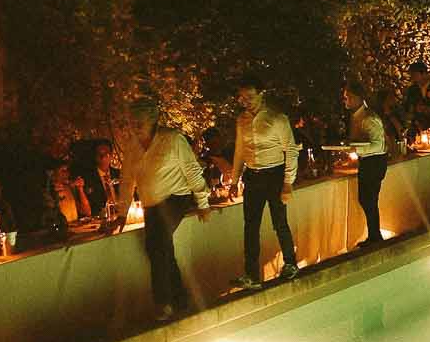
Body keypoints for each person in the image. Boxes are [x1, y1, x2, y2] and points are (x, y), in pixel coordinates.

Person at [115, 97, 212, 321]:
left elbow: (192, 170)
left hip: (175, 197)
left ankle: (163, 302)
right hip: (151, 204)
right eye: (132, 121)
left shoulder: (173, 139)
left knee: (156, 245)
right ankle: (180, 298)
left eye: (139, 121)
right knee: (162, 249)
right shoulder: (132, 146)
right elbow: (127, 179)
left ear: (153, 119)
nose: (135, 126)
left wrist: (202, 202)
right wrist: (122, 213)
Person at [227, 75, 299, 293]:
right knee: (250, 226)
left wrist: (288, 183)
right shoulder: (242, 120)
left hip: (274, 175)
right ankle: (252, 274)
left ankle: (290, 262)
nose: (246, 101)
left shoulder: (277, 119)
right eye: (242, 97)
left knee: (279, 222)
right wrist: (234, 179)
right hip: (253, 176)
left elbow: (291, 151)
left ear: (261, 94)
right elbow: (240, 150)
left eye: (250, 96)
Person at [342, 82, 388, 250]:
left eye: (347, 97)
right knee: (367, 199)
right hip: (367, 161)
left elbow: (378, 145)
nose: (345, 100)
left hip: (374, 161)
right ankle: (374, 235)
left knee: (368, 199)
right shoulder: (356, 116)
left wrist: (356, 148)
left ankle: (375, 237)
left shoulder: (369, 118)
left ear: (356, 98)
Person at [83, 139, 120, 220]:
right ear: (95, 157)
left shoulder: (119, 174)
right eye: (99, 154)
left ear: (111, 155)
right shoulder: (89, 178)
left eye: (106, 154)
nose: (103, 158)